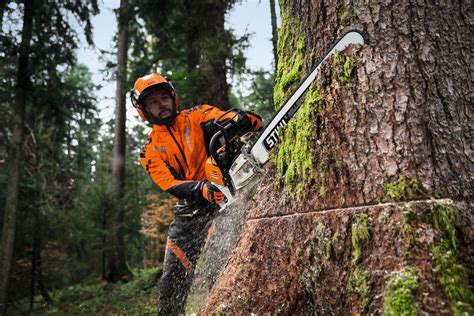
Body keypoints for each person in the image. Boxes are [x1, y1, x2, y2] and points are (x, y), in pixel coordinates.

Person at [131, 73, 262, 315]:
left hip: (224, 199)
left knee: (218, 263)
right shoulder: (149, 150)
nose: (162, 105)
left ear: (173, 96)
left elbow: (221, 118)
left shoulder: (197, 116)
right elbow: (170, 183)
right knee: (172, 280)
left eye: (164, 97)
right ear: (144, 110)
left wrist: (239, 119)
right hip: (189, 210)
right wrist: (200, 188)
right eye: (154, 102)